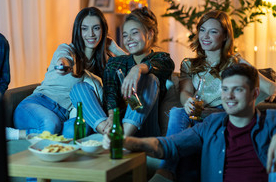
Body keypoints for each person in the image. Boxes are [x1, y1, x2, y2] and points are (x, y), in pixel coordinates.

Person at [103, 63, 276, 182]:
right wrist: (125, 141)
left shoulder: (271, 122)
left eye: (237, 90)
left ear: (255, 94)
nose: (229, 96)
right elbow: (168, 145)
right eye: (225, 89)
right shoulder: (212, 125)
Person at [156, 10, 276, 181]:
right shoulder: (189, 64)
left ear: (225, 36)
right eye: (202, 30)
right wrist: (188, 101)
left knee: (187, 116)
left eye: (213, 31)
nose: (205, 36)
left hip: (221, 116)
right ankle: (165, 171)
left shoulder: (234, 65)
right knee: (178, 112)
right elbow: (185, 92)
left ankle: (165, 171)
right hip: (196, 114)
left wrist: (241, 61)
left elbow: (271, 89)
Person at [12, 7, 125, 140]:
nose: (91, 34)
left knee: (76, 131)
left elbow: (132, 64)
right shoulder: (67, 49)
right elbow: (65, 58)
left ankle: (53, 135)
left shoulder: (103, 63)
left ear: (103, 30)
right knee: (50, 125)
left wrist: (115, 48)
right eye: (84, 28)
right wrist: (63, 64)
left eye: (96, 28)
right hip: (38, 104)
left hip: (64, 116)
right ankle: (11, 134)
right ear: (78, 31)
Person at [71, 6, 174, 137]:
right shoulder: (116, 63)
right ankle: (109, 132)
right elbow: (110, 95)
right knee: (78, 88)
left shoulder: (162, 59)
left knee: (149, 79)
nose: (129, 38)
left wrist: (137, 69)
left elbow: (163, 64)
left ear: (150, 33)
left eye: (134, 33)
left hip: (145, 130)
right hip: (116, 125)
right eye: (125, 35)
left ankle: (122, 138)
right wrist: (111, 118)